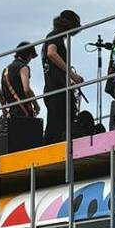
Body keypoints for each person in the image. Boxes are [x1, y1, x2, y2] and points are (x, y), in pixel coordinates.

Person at [42, 10, 85, 144]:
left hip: (54, 87)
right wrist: (73, 75)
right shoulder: (55, 36)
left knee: (55, 123)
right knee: (61, 123)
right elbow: (51, 53)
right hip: (57, 89)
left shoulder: (54, 36)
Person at [2, 42, 40, 118]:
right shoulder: (23, 68)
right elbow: (27, 89)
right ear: (29, 55)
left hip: (12, 111)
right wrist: (36, 105)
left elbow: (4, 93)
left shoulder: (5, 71)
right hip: (23, 110)